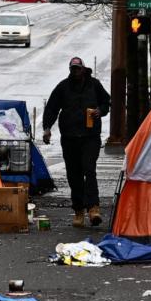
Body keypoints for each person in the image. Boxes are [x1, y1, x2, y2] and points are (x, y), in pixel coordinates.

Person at [42, 56, 111, 227]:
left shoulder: (94, 85)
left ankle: (93, 208)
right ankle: (79, 210)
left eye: (78, 68)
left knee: (89, 170)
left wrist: (99, 111)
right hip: (70, 137)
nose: (75, 71)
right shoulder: (63, 87)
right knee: (74, 175)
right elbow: (52, 107)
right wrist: (47, 128)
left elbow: (106, 102)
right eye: (73, 69)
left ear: (83, 69)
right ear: (70, 70)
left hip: (90, 137)